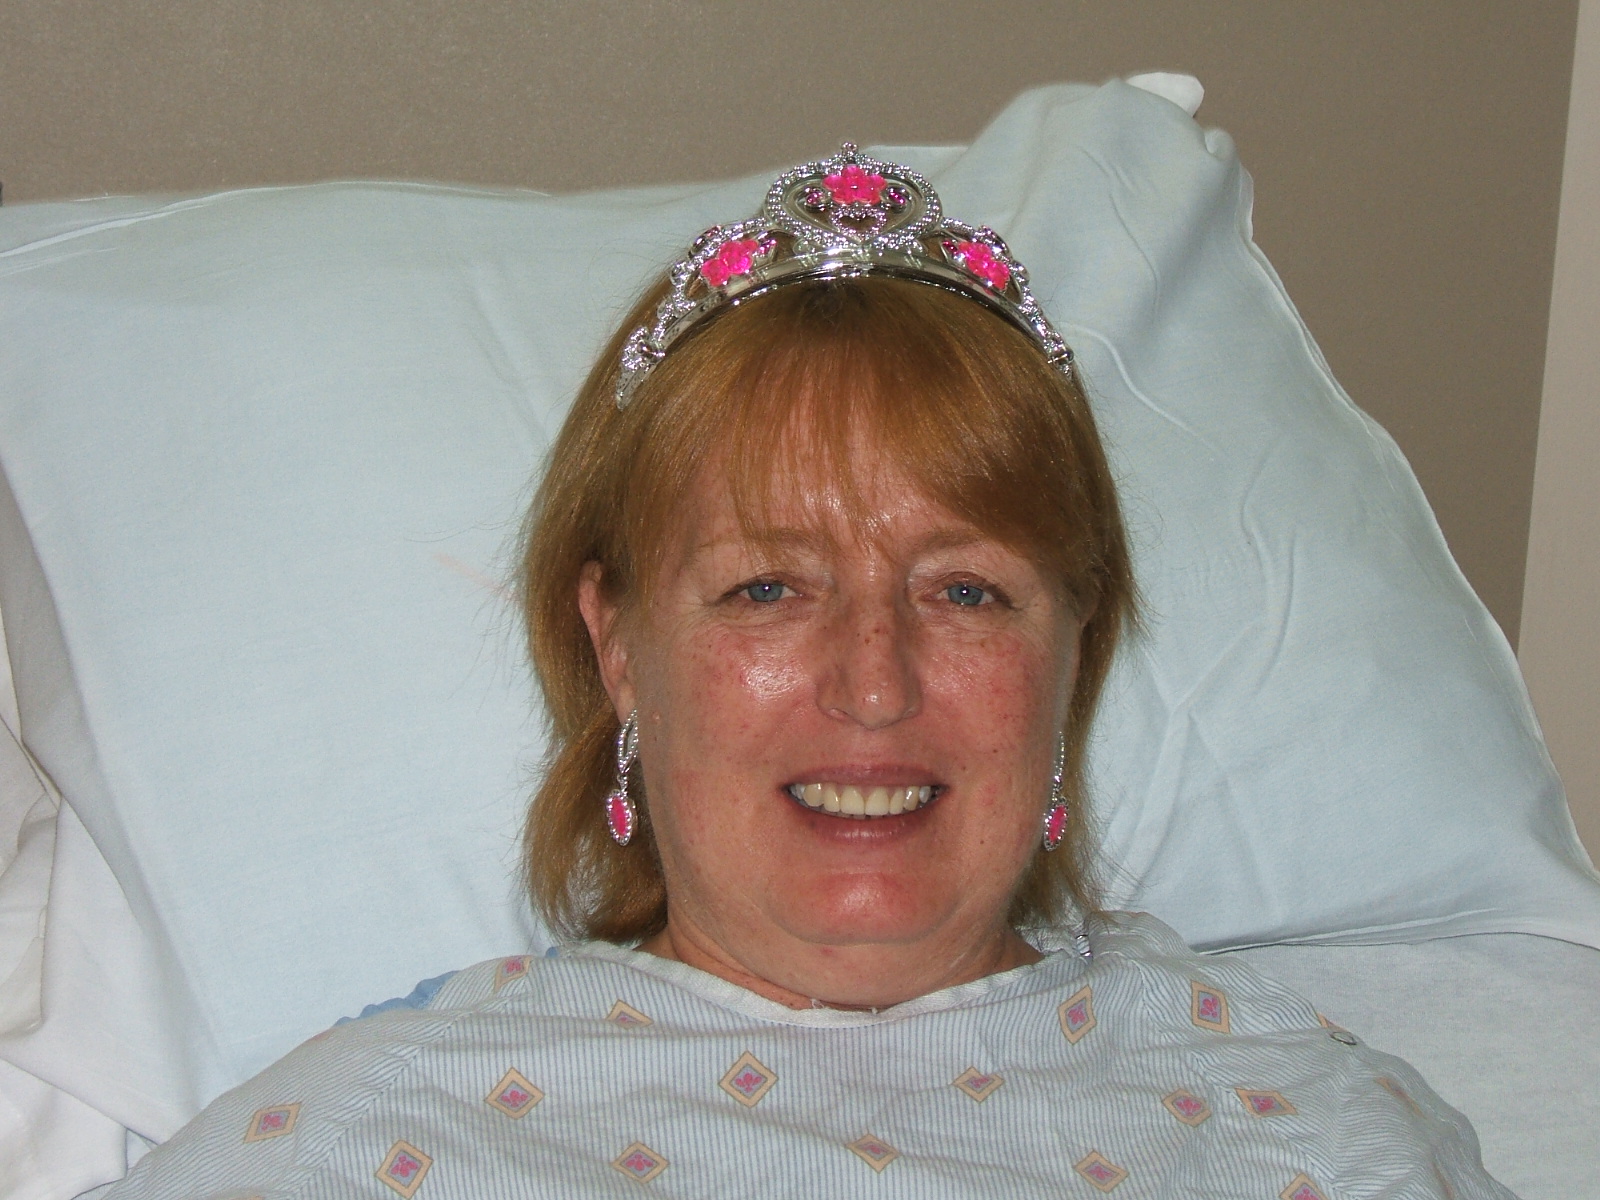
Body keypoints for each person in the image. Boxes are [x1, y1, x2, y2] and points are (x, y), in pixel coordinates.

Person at [103, 147, 1512, 1198]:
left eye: (966, 591)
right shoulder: (378, 1137)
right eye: (767, 589)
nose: (874, 685)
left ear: (1071, 651)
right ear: (619, 650)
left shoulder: (1306, 1122)